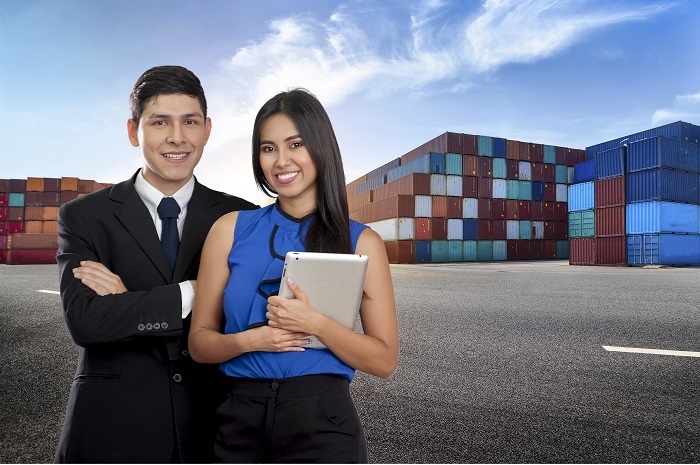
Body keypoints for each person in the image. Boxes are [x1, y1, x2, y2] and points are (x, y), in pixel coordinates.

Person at [54, 65, 257, 463]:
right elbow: (87, 322)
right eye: (160, 121)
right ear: (134, 131)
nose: (177, 137)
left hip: (215, 429)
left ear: (207, 129)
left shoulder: (241, 217)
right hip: (112, 430)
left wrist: (130, 303)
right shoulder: (84, 216)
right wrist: (199, 291)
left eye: (190, 122)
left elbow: (253, 316)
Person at [188, 88, 399, 463]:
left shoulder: (362, 241)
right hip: (238, 422)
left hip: (324, 427)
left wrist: (315, 323)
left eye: (295, 144)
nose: (281, 160)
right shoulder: (229, 230)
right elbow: (200, 344)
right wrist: (251, 341)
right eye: (268, 148)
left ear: (320, 147)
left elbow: (384, 361)